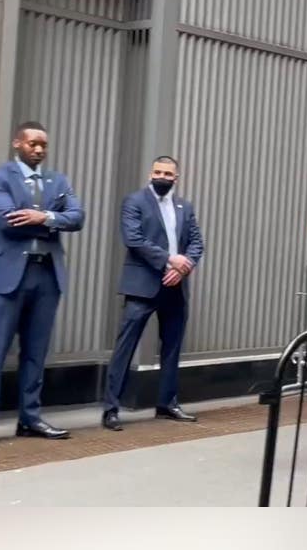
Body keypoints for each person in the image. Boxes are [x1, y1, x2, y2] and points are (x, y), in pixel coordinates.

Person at [0, 121, 86, 453]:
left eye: (43, 145)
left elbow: (77, 217)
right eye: (32, 143)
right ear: (17, 144)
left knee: (36, 353)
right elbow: (7, 219)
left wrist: (42, 218)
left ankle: (30, 419)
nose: (39, 149)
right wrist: (51, 218)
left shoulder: (57, 180)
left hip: (46, 275)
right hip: (5, 276)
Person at [102, 156, 206, 430]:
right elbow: (133, 239)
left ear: (176, 178)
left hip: (176, 286)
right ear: (150, 173)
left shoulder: (185, 206)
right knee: (126, 346)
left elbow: (196, 242)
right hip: (142, 286)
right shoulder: (134, 201)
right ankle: (111, 408)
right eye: (157, 172)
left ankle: (167, 404)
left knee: (172, 348)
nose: (162, 176)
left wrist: (185, 267)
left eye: (167, 173)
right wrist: (170, 261)